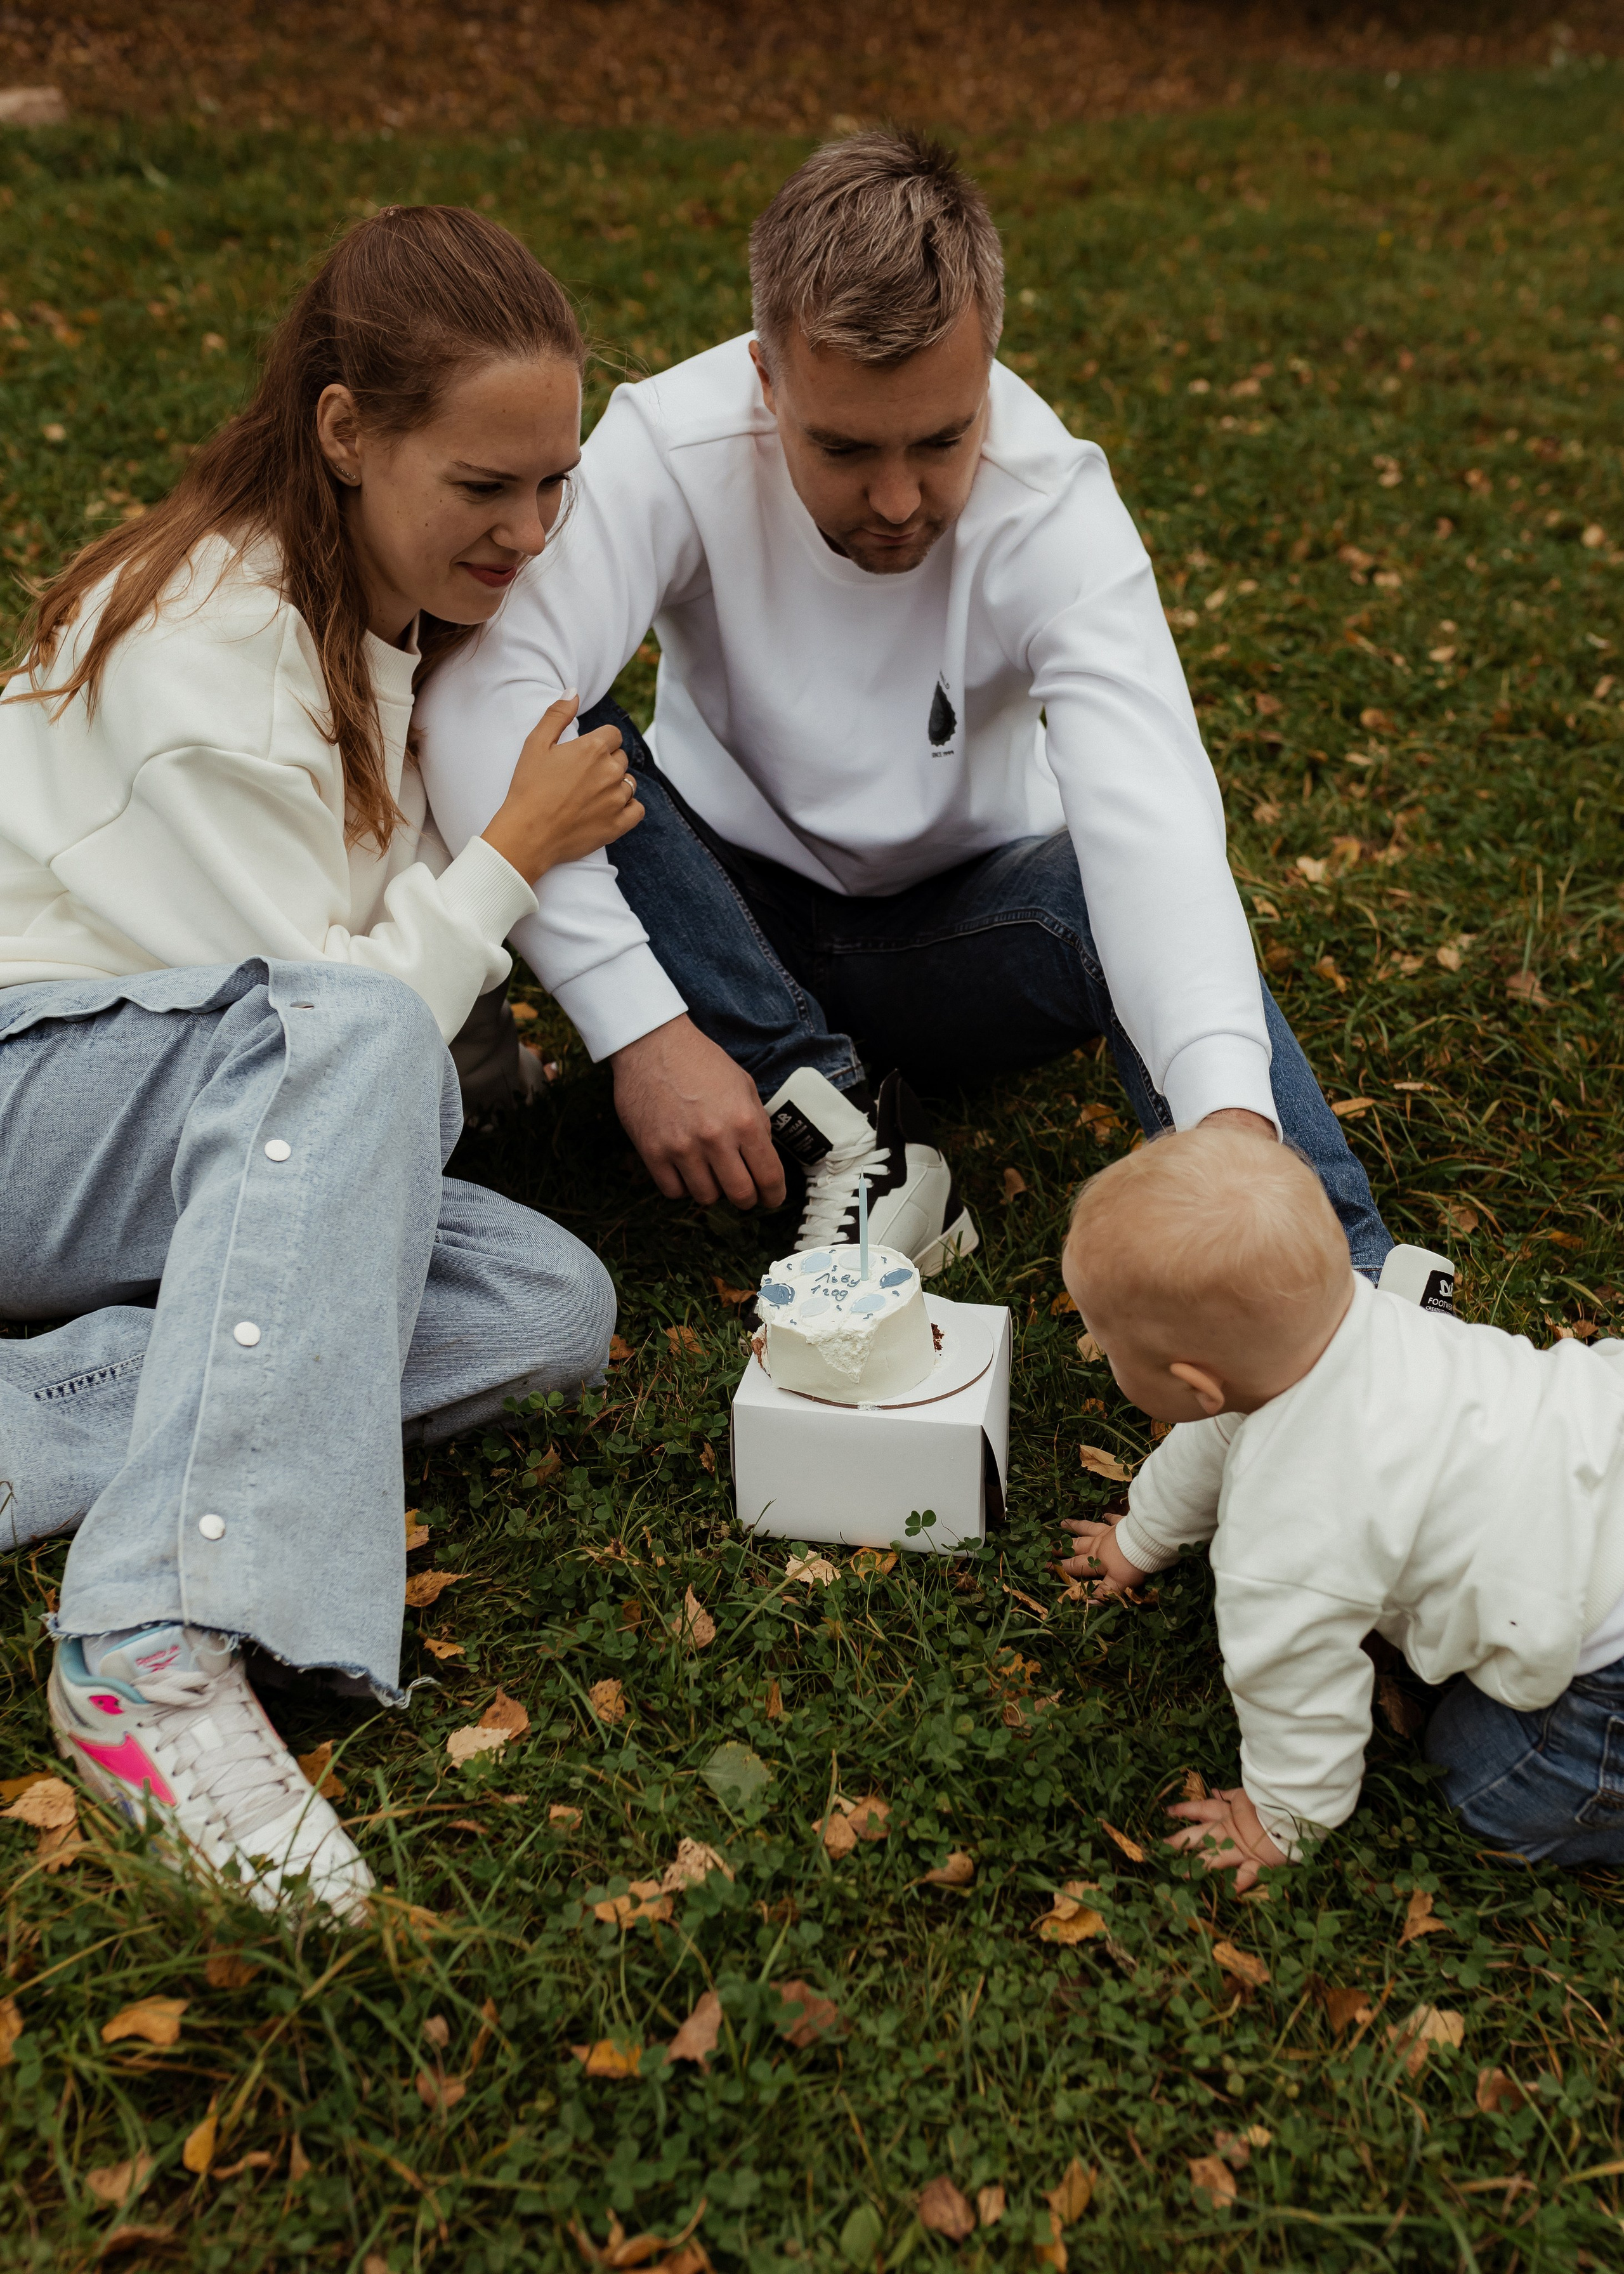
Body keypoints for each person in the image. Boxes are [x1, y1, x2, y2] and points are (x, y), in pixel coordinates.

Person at [417, 129, 1392, 1281]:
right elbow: (484, 693)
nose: (896, 498)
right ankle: (850, 1133)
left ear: (989, 372)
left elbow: (1153, 817)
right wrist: (638, 1023)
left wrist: (1230, 1118)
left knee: (1101, 884)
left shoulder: (1051, 502)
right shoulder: (673, 444)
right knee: (569, 746)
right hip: (721, 924)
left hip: (962, 937)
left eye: (942, 439)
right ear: (765, 375)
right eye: (843, 447)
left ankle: (1340, 1281)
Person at [0, 206, 643, 1917]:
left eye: (553, 487)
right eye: (483, 487)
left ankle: (30, 1423)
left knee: (542, 1304)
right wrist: (505, 850)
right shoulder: (216, 653)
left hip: (158, 1127)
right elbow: (327, 1028)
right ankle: (154, 1644)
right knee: (362, 1042)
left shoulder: (371, 620)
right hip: (23, 1103)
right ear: (349, 431)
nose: (527, 532)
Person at [1055, 1126, 1624, 1879]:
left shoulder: (1292, 1516)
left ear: (1195, 1381)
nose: (1097, 1348)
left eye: (1106, 1341)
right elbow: (1215, 1436)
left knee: (1476, 1779)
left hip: (1607, 1666)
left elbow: (1295, 1679)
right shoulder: (1362, 1316)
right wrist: (1141, 1537)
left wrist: (1280, 1818)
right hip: (1599, 1451)